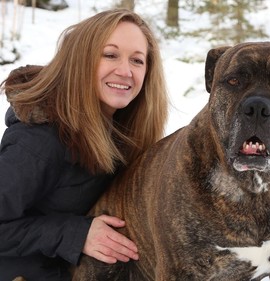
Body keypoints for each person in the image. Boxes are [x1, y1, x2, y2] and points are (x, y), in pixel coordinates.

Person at [0, 8, 168, 281]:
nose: (125, 71)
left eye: (137, 60)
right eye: (110, 55)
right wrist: (76, 233)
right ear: (81, 60)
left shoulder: (122, 132)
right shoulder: (40, 140)